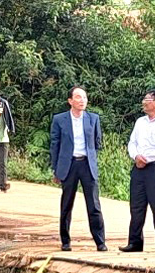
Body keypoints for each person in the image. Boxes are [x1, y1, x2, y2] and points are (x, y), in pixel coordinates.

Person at [50, 86, 106, 252]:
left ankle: (100, 242)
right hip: (69, 165)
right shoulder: (59, 119)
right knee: (66, 205)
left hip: (87, 165)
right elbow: (55, 145)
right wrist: (56, 169)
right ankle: (65, 241)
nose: (82, 100)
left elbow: (97, 142)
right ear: (70, 101)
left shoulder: (93, 118)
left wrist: (92, 158)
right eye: (78, 97)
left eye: (85, 97)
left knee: (94, 205)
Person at [121, 89, 155, 253]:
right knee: (136, 206)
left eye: (147, 99)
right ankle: (135, 242)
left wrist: (146, 158)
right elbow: (132, 142)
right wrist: (136, 156)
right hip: (138, 168)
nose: (144, 102)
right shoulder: (140, 122)